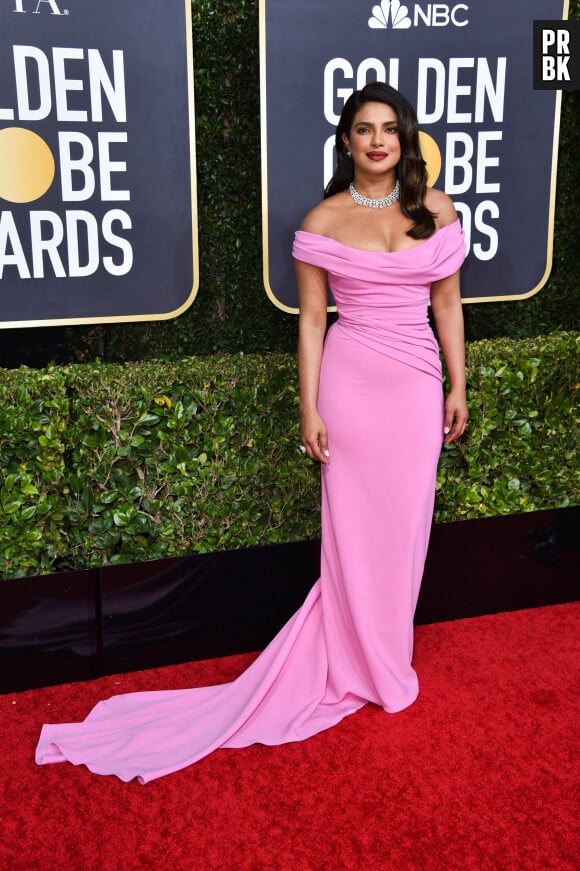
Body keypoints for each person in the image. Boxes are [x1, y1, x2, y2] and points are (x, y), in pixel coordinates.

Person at [35, 82, 467, 784]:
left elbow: (447, 303)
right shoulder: (322, 221)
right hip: (351, 387)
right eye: (365, 129)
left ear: (405, 138)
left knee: (407, 526)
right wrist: (309, 407)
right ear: (347, 141)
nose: (379, 141)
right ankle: (363, 661)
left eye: (390, 128)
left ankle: (384, 653)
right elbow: (310, 321)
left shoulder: (439, 211)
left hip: (416, 387)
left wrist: (460, 383)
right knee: (351, 533)